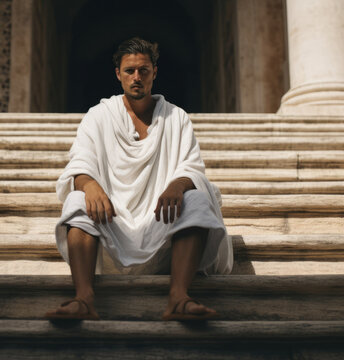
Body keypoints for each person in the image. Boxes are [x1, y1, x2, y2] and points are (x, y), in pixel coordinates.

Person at [45, 37, 233, 321]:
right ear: (118, 74)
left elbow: (192, 167)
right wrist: (90, 184)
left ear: (154, 72)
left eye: (143, 70)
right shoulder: (99, 116)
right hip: (110, 225)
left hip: (162, 226)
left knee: (195, 197)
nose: (137, 77)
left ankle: (178, 297)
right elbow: (80, 162)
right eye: (129, 70)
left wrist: (177, 185)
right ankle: (83, 299)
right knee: (76, 198)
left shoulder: (176, 118)